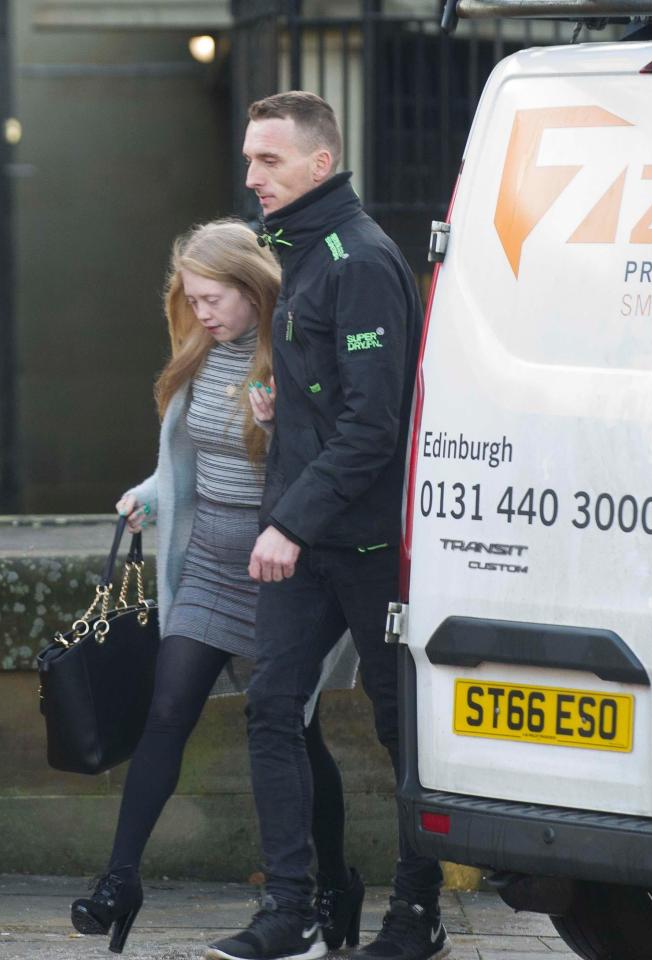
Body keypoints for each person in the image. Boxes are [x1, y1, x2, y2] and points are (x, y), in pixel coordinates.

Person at [69, 219, 360, 955]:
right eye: (191, 299)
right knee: (167, 710)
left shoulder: (291, 353)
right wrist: (150, 494)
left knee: (298, 731)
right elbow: (191, 462)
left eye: (213, 299)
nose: (201, 313)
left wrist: (284, 420)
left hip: (281, 570)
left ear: (252, 286)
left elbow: (333, 457)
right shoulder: (202, 355)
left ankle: (334, 884)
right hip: (207, 564)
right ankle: (119, 881)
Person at [206, 94, 446, 960]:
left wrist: (289, 523)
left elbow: (375, 427)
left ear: (319, 163)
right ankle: (294, 914)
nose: (252, 177)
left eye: (268, 161)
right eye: (247, 160)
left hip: (368, 548)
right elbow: (332, 404)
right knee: (271, 709)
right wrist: (280, 421)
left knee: (400, 731)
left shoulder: (359, 259)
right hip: (304, 539)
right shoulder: (293, 252)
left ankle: (417, 915)